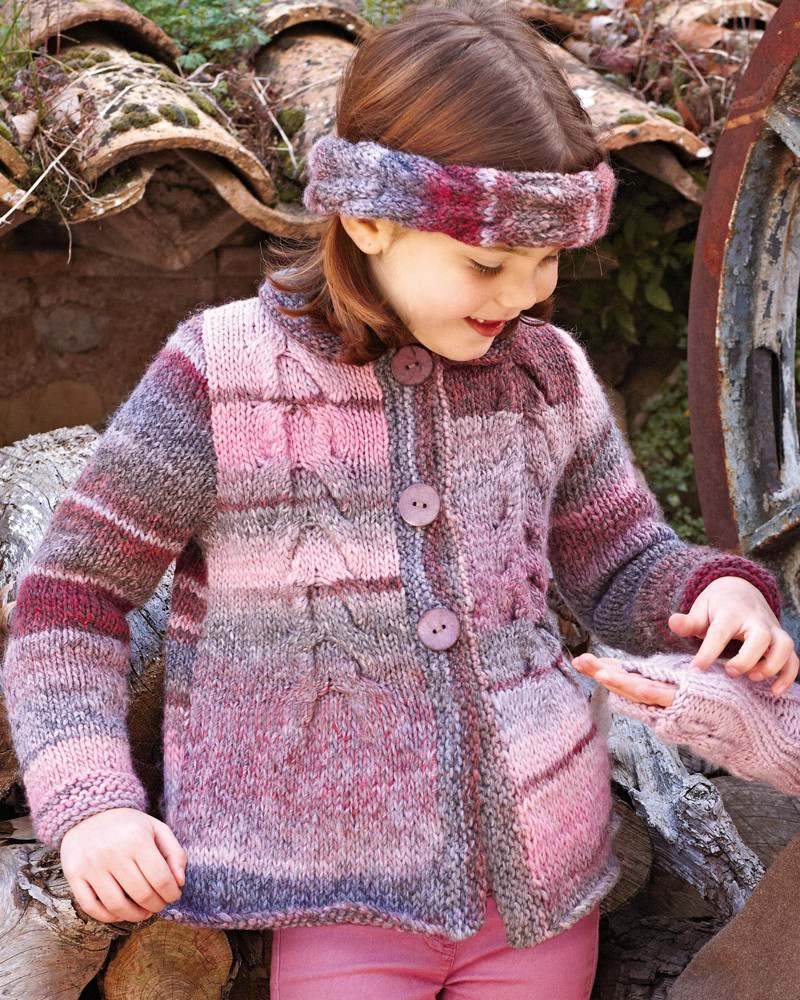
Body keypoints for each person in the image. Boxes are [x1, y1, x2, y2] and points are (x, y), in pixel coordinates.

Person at [1, 0, 798, 997]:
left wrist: (715, 593)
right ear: (368, 218)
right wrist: (90, 800)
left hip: (544, 886)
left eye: (548, 260)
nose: (523, 294)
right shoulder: (220, 377)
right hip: (335, 903)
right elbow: (70, 598)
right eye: (487, 263)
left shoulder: (544, 374)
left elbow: (623, 559)